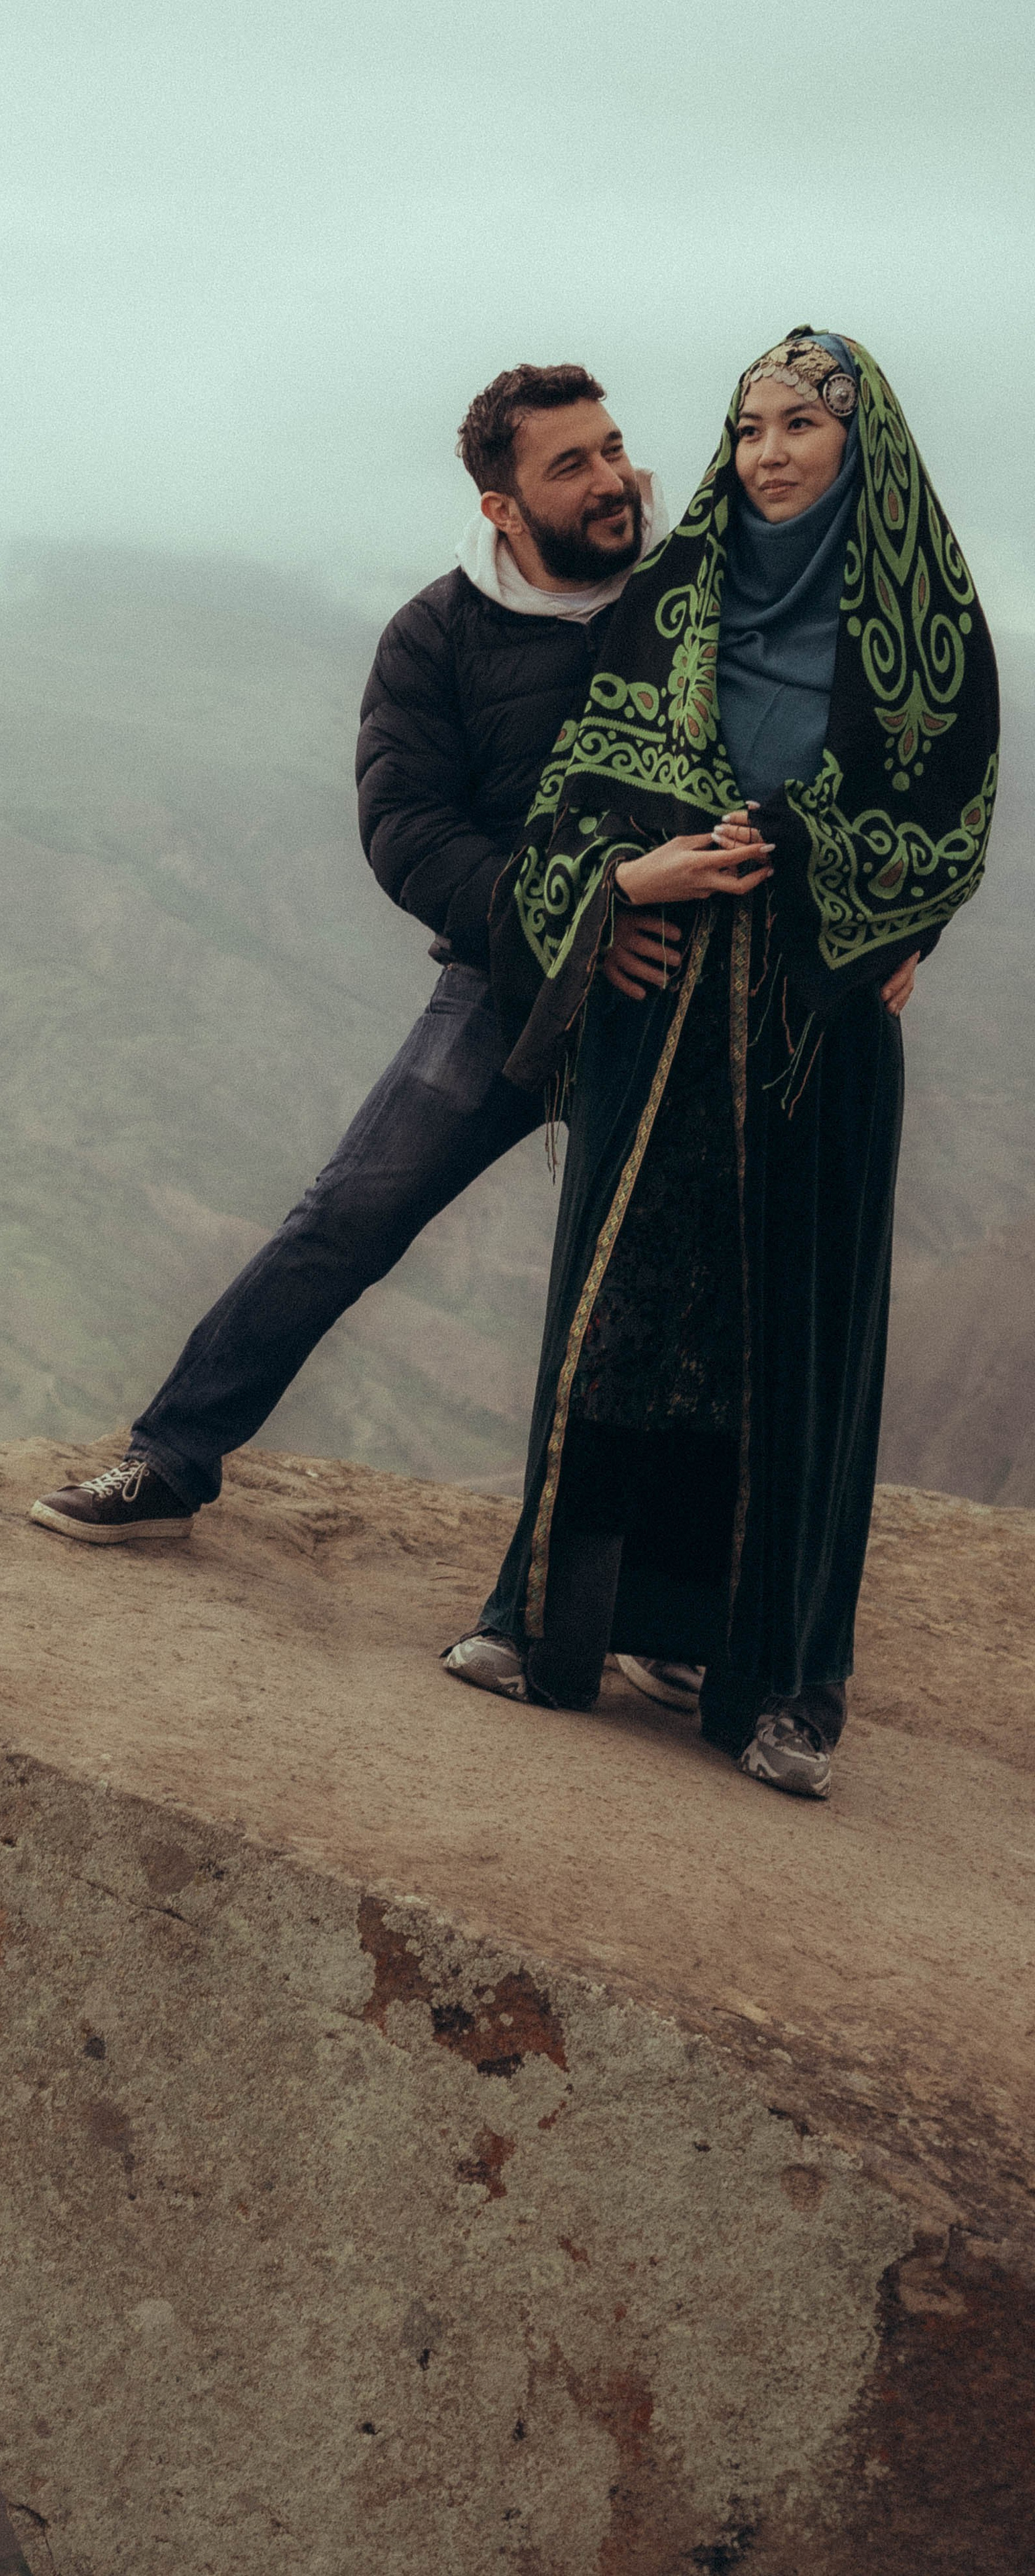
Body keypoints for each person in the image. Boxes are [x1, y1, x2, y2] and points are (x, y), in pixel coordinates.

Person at [447, 330, 999, 1799]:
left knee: (793, 1341)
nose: (763, 453)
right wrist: (621, 889)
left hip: (815, 1034)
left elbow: (944, 831)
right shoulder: (675, 599)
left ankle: (778, 1691)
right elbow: (575, 799)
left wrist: (861, 896)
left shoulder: (930, 627)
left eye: (798, 428)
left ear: (855, 446)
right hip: (659, 1012)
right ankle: (548, 1626)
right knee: (619, 1312)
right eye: (746, 425)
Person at [32, 361, 688, 1582]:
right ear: (502, 507)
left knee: (676, 1298)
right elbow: (410, 837)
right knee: (346, 1216)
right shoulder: (436, 638)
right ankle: (169, 1461)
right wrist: (582, 920)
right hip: (513, 985)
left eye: (613, 451)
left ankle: (661, 1606)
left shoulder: (689, 603)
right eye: (571, 465)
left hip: (686, 994)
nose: (610, 482)